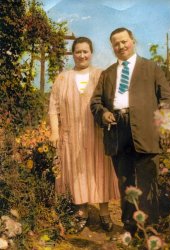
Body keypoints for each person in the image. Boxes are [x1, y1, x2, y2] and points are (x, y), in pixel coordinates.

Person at [90, 28, 170, 235]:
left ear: (133, 41)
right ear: (112, 47)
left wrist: (163, 119)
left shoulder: (151, 67)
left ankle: (150, 230)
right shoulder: (107, 73)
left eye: (124, 42)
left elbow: (167, 98)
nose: (121, 46)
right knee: (125, 182)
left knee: (147, 182)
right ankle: (130, 228)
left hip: (146, 129)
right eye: (116, 44)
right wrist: (103, 113)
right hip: (118, 131)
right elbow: (95, 102)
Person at [48, 37, 119, 233]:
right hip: (71, 136)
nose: (81, 55)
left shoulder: (101, 75)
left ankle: (105, 214)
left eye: (85, 51)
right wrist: (54, 132)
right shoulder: (62, 78)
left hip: (97, 134)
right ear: (72, 54)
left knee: (100, 172)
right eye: (78, 52)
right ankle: (82, 214)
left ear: (91, 53)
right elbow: (53, 109)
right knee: (76, 172)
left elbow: (111, 102)